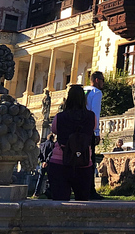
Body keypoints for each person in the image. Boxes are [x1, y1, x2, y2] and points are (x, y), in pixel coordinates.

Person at [48, 85, 96, 201]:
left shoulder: (59, 117)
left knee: (59, 201)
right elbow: (93, 129)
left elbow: (54, 130)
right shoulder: (91, 116)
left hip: (60, 161)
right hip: (83, 161)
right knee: (82, 201)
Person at [84, 71, 104, 200]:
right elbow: (95, 114)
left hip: (77, 130)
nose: (103, 83)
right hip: (89, 130)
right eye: (102, 80)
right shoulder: (97, 93)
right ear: (96, 80)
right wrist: (96, 132)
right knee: (90, 161)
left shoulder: (83, 91)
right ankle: (90, 190)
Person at [34, 134, 55, 198]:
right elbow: (51, 154)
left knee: (40, 178)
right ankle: (48, 192)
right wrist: (47, 161)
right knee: (50, 179)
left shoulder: (42, 145)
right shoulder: (52, 145)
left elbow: (39, 154)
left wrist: (42, 161)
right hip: (49, 163)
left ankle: (36, 192)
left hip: (42, 163)